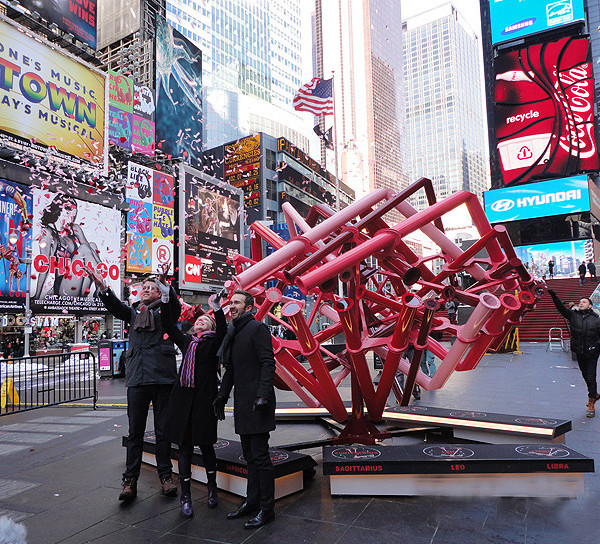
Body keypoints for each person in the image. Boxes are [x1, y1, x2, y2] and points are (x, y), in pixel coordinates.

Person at [89, 267, 180, 501]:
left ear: (160, 294)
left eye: (152, 288)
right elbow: (115, 307)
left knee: (163, 431)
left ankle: (166, 476)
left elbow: (174, 309)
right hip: (138, 378)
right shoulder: (133, 312)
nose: (147, 290)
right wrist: (102, 287)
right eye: (145, 288)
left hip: (162, 378)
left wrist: (166, 286)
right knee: (134, 433)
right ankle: (130, 480)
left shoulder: (166, 312)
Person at [155, 274, 226, 518]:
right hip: (183, 402)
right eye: (198, 322)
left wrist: (216, 309)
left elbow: (224, 328)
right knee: (184, 449)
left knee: (207, 447)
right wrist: (166, 295)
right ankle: (185, 496)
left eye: (205, 321)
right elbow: (167, 325)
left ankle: (212, 489)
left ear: (212, 327)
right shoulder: (187, 342)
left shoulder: (214, 343)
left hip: (204, 402)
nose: (199, 324)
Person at [213, 289, 277, 529]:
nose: (232, 306)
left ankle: (267, 509)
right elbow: (230, 370)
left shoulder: (257, 328)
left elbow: (267, 362)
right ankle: (252, 502)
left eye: (237, 302)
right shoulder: (234, 332)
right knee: (250, 456)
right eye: (231, 302)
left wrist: (262, 396)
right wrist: (221, 396)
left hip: (257, 403)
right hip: (242, 403)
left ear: (249, 307)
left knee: (260, 457)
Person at [34, 194, 102, 300]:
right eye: (70, 216)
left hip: (80, 284)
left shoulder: (72, 230)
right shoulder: (48, 233)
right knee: (84, 248)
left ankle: (101, 283)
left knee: (91, 245)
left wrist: (77, 230)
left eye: (74, 217)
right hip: (63, 288)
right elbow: (45, 265)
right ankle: (101, 286)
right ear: (62, 210)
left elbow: (91, 251)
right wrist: (37, 297)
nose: (72, 221)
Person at [548, 289, 600, 417]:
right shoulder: (573, 315)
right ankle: (594, 393)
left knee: (591, 376)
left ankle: (591, 402)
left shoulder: (597, 319)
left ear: (590, 305)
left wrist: (597, 347)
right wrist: (554, 296)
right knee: (585, 375)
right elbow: (561, 308)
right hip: (579, 352)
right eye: (580, 302)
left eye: (584, 302)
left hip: (592, 352)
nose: (581, 303)